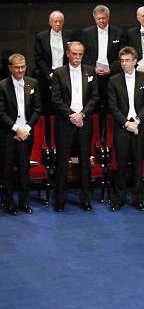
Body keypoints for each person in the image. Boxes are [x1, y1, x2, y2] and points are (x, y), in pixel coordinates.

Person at [51, 41, 99, 212]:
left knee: (85, 161)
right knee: (62, 161)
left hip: (84, 122)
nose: (78, 58)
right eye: (75, 54)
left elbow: (94, 97)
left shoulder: (90, 71)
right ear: (68, 54)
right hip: (65, 123)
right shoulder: (58, 73)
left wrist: (82, 114)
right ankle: (59, 199)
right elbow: (56, 99)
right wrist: (72, 115)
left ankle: (85, 198)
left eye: (80, 54)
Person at [107, 46, 144, 212]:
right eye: (122, 61)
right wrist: (127, 124)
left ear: (135, 61)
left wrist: (137, 122)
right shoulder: (114, 80)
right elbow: (113, 107)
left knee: (138, 165)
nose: (124, 63)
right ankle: (118, 199)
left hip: (140, 127)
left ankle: (138, 199)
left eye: (127, 60)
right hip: (122, 128)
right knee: (120, 165)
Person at [0, 53, 42, 214]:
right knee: (7, 169)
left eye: (23, 67)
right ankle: (10, 203)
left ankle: (24, 203)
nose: (20, 70)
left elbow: (38, 109)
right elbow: (1, 112)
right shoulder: (2, 85)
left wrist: (27, 129)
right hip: (8, 134)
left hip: (26, 133)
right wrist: (16, 128)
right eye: (17, 67)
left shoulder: (33, 83)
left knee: (25, 169)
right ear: (10, 68)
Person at [81, 5, 126, 117]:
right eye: (99, 18)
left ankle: (110, 133)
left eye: (104, 18)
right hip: (93, 75)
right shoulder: (86, 33)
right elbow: (84, 55)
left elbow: (122, 55)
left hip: (113, 75)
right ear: (94, 18)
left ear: (108, 17)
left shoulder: (119, 32)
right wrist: (93, 69)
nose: (101, 20)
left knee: (113, 106)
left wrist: (111, 69)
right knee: (93, 106)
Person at [34, 11, 73, 119]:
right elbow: (39, 58)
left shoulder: (70, 35)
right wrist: (48, 74)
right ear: (50, 22)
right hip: (47, 75)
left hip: (65, 73)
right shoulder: (41, 36)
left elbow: (73, 54)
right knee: (48, 105)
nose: (58, 24)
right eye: (55, 21)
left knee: (65, 103)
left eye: (60, 21)